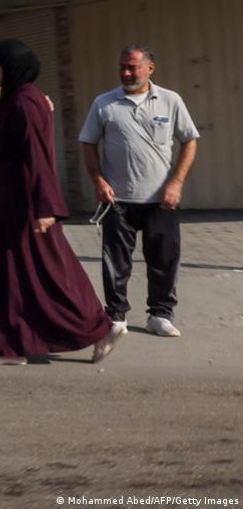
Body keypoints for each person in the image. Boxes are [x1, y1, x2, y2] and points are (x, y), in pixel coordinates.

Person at [0, 39, 124, 366]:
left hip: (25, 207)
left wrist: (46, 208)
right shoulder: (19, 100)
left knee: (48, 275)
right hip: (14, 205)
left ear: (13, 67)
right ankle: (13, 346)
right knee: (19, 275)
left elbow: (38, 156)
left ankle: (97, 328)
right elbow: (11, 137)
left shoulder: (27, 103)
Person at [79, 46, 199, 338]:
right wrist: (97, 179)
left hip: (162, 200)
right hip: (117, 200)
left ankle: (160, 315)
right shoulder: (104, 103)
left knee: (164, 259)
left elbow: (190, 141)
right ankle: (116, 315)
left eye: (132, 67)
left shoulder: (170, 100)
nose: (126, 73)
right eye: (123, 67)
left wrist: (177, 183)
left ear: (150, 68)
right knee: (115, 263)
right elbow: (87, 142)